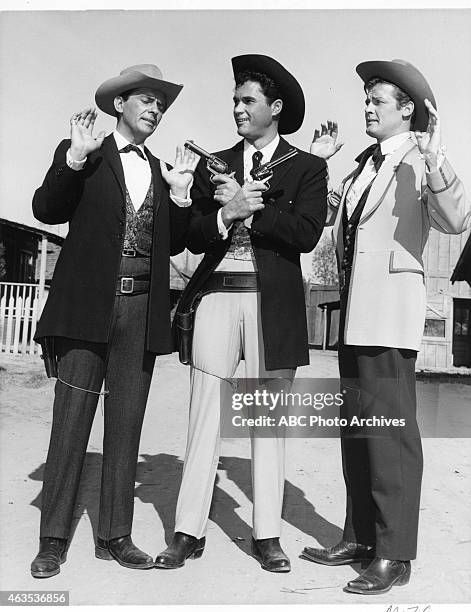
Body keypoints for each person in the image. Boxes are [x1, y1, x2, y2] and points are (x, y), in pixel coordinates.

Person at [301, 59, 470, 594]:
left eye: (378, 102)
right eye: (366, 100)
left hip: (389, 315)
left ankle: (395, 553)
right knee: (357, 431)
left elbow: (453, 219)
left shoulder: (420, 162)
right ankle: (360, 537)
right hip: (355, 313)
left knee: (390, 437)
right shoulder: (363, 166)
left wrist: (438, 157)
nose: (367, 108)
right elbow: (339, 225)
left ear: (408, 111)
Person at [154, 54, 328, 573]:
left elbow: (305, 234)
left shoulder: (307, 167)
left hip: (272, 306)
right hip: (216, 299)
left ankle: (267, 534)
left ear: (275, 108)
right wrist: (224, 212)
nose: (237, 109)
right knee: (205, 410)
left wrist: (258, 210)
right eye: (234, 100)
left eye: (247, 100)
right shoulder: (216, 164)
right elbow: (186, 237)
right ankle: (188, 530)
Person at [30, 64, 198, 578]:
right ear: (120, 104)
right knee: (71, 423)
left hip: (140, 309)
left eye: (161, 105)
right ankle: (53, 539)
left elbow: (178, 244)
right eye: (146, 100)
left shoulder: (163, 168)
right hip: (87, 310)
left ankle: (115, 535)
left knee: (126, 424)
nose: (155, 110)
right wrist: (73, 158)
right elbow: (45, 208)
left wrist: (182, 196)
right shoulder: (85, 152)